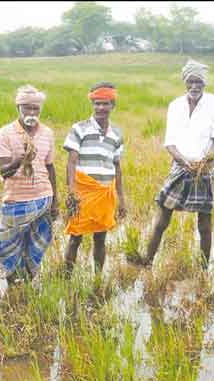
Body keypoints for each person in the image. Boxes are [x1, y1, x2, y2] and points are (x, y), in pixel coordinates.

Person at [129, 59, 214, 269]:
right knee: (162, 218)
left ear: (205, 83)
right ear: (185, 82)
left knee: (205, 224)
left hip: (204, 169)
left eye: (198, 82)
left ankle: (203, 267)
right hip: (179, 167)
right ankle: (148, 260)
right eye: (190, 81)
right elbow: (170, 142)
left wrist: (207, 159)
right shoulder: (175, 105)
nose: (194, 86)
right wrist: (182, 161)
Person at [0, 85, 58, 284]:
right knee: (7, 244)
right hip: (16, 201)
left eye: (35, 109)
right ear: (18, 108)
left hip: (43, 199)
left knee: (37, 245)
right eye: (26, 108)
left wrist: (55, 199)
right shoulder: (5, 133)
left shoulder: (47, 133)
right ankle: (13, 281)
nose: (31, 113)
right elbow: (4, 171)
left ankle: (29, 280)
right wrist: (19, 160)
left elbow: (50, 167)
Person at [63, 82, 126, 276]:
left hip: (105, 192)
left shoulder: (116, 134)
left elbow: (117, 167)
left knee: (100, 238)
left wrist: (121, 199)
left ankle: (98, 277)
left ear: (112, 105)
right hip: (82, 192)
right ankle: (67, 276)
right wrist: (72, 192)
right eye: (97, 103)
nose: (100, 108)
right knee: (75, 238)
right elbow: (71, 163)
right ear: (92, 104)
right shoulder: (79, 128)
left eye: (105, 104)